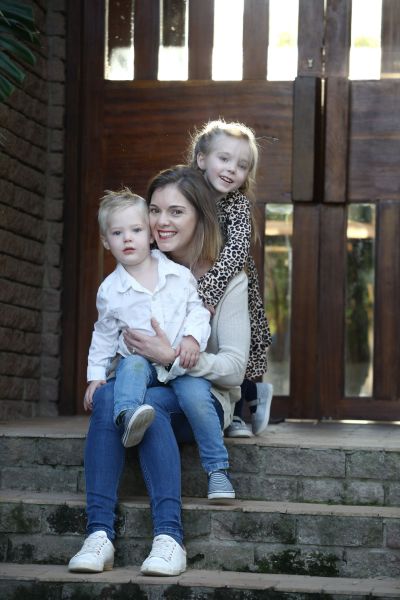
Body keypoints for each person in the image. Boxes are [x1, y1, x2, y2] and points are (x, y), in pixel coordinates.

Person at [68, 166, 250, 576]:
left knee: (139, 399)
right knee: (110, 395)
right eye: (155, 210)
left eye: (176, 212)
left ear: (199, 216)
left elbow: (234, 370)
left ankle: (169, 537)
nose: (162, 221)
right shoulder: (129, 274)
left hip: (199, 395)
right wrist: (98, 375)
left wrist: (171, 355)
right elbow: (107, 333)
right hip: (143, 381)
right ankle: (98, 535)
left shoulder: (221, 278)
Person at [85, 188, 235, 500]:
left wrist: (193, 339)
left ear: (151, 236)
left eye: (136, 230)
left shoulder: (178, 276)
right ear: (105, 242)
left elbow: (197, 310)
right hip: (141, 366)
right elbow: (103, 335)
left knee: (196, 397)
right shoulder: (110, 290)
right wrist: (95, 376)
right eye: (117, 233)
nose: (128, 239)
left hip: (182, 362)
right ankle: (128, 417)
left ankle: (217, 471)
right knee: (131, 364)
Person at [188, 119, 273, 438]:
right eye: (223, 159)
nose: (231, 170)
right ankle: (246, 398)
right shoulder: (185, 194)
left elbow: (235, 250)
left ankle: (238, 412)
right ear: (201, 159)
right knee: (200, 341)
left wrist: (208, 291)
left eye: (241, 165)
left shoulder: (237, 204)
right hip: (191, 282)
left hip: (231, 284)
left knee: (235, 344)